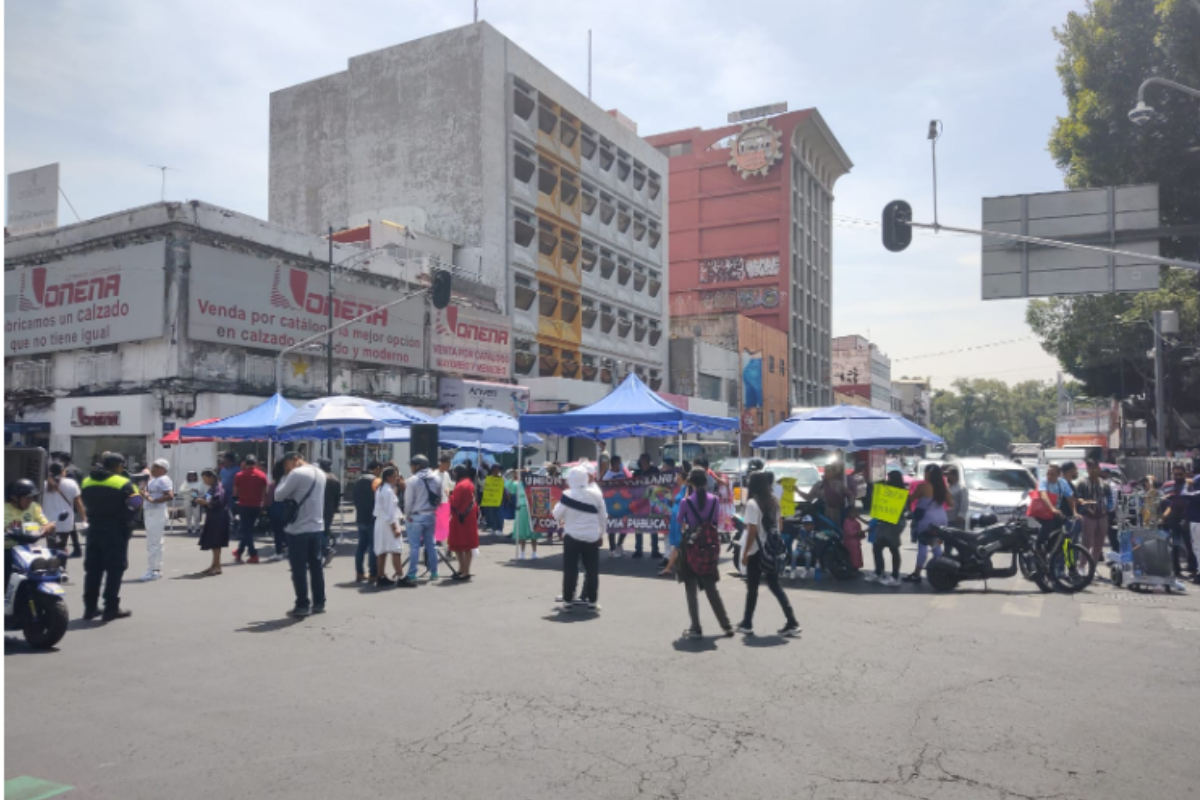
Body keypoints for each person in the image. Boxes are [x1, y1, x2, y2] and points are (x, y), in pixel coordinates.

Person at [736, 470, 800, 637]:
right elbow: (780, 527)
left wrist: (745, 553)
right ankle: (792, 621)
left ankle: (747, 623)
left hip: (757, 550)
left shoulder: (752, 504)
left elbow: (752, 531)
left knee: (753, 587)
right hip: (771, 549)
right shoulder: (774, 502)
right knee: (775, 586)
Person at [675, 467, 734, 639]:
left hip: (692, 546)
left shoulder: (686, 502)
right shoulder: (715, 500)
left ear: (690, 483)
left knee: (690, 588)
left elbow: (679, 520)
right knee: (711, 589)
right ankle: (726, 625)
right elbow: (714, 521)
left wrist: (686, 498)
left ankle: (696, 626)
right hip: (708, 546)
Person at [80, 453, 138, 621]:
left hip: (94, 530)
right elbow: (136, 503)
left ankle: (89, 608)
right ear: (119, 466)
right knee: (114, 570)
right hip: (115, 531)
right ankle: (110, 608)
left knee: (93, 570)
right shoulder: (123, 483)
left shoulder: (87, 481)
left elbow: (84, 500)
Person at [274, 452, 328, 616]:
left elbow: (278, 495)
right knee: (316, 567)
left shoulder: (296, 474)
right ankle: (319, 602)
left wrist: (285, 476)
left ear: (293, 460)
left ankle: (302, 604)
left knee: (298, 569)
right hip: (317, 526)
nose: (286, 468)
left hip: (298, 528)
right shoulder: (320, 473)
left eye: (286, 465)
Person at [554, 464, 607, 610]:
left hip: (572, 536)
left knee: (570, 569)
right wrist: (600, 534)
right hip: (591, 537)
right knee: (592, 570)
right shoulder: (596, 495)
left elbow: (556, 514)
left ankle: (568, 601)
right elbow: (604, 517)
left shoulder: (567, 494)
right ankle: (592, 601)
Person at [5, 479, 58, 595]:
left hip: (28, 548)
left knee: (51, 564)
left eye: (32, 497)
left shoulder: (34, 507)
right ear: (14, 497)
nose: (31, 500)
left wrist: (48, 527)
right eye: (27, 497)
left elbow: (44, 523)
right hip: (8, 549)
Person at [903, 464, 949, 584]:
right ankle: (942, 569)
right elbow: (950, 502)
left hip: (927, 520)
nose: (924, 475)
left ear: (930, 473)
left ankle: (917, 573)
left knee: (923, 545)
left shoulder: (924, 486)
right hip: (942, 519)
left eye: (925, 472)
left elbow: (911, 499)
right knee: (936, 544)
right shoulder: (944, 487)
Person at [402, 455, 441, 585]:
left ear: (418, 466)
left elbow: (409, 501)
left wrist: (407, 515)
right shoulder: (437, 478)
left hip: (417, 516)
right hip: (431, 515)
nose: (411, 467)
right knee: (432, 546)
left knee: (414, 547)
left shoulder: (412, 480)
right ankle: (434, 572)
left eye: (412, 465)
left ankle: (412, 573)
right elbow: (439, 498)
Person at [865, 470, 906, 587]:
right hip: (885, 522)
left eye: (890, 479)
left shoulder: (900, 493)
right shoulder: (890, 491)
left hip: (894, 523)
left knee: (893, 548)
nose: (888, 480)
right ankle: (879, 571)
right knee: (877, 546)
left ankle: (895, 576)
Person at [140, 459, 174, 581]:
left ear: (163, 469)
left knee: (153, 542)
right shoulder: (153, 480)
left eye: (156, 467)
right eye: (153, 466)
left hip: (156, 512)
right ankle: (156, 568)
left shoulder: (163, 479)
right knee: (156, 542)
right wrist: (144, 493)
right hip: (151, 512)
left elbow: (169, 495)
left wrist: (153, 500)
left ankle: (153, 570)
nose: (153, 469)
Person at [43, 462, 85, 558]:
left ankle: (52, 568)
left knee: (51, 547)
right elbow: (78, 503)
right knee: (61, 547)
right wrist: (84, 518)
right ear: (63, 471)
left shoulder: (44, 485)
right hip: (65, 522)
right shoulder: (71, 483)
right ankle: (61, 568)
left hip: (48, 522)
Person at [372, 466, 405, 587]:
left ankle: (380, 576)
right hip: (389, 522)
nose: (397, 478)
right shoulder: (388, 491)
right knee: (396, 550)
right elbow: (389, 511)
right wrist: (395, 527)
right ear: (388, 477)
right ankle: (400, 576)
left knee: (382, 551)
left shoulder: (381, 489)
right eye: (395, 476)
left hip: (381, 522)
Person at [194, 468, 230, 577]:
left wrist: (204, 502)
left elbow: (217, 502)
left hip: (219, 517)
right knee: (213, 542)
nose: (204, 481)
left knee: (216, 542)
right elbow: (208, 499)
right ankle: (214, 565)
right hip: (213, 517)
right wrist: (201, 500)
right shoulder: (211, 489)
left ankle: (217, 566)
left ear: (212, 477)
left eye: (205, 478)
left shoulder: (218, 488)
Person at [232, 455, 267, 565]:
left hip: (244, 505)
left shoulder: (239, 475)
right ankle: (239, 551)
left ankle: (253, 553)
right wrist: (263, 505)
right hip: (256, 505)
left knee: (246, 530)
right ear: (255, 463)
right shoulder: (262, 475)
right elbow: (264, 492)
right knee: (249, 529)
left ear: (245, 463)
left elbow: (235, 491)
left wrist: (235, 500)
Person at [1026, 462, 1072, 548]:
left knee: (1065, 524)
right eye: (1048, 474)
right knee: (1049, 524)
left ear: (1059, 475)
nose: (1049, 476)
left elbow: (1070, 498)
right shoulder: (1043, 481)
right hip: (1041, 511)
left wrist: (1075, 512)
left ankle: (1052, 548)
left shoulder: (1062, 483)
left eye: (1052, 474)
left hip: (1053, 512)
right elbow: (1044, 495)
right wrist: (1052, 508)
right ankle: (1038, 547)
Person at [1162, 464, 1196, 577]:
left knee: (1191, 544)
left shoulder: (1190, 484)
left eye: (1180, 474)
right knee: (1175, 544)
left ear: (1185, 474)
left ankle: (1193, 567)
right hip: (1173, 518)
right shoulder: (1167, 485)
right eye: (1175, 474)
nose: (1177, 476)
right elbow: (1162, 498)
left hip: (1188, 517)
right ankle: (1176, 569)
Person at [1075, 459, 1110, 566]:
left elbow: (1110, 498)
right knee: (1086, 543)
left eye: (1095, 468)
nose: (1093, 470)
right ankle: (1082, 566)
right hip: (1088, 516)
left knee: (1098, 545)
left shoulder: (1104, 484)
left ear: (1099, 469)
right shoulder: (1081, 483)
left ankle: (1093, 567)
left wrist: (1106, 508)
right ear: (1087, 469)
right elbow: (1077, 498)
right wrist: (1086, 508)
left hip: (1102, 516)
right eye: (1090, 468)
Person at [449, 465, 480, 580]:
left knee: (461, 544)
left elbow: (454, 502)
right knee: (465, 544)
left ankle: (464, 570)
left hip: (461, 518)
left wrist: (449, 495)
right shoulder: (469, 483)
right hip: (468, 516)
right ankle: (463, 569)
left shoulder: (461, 485)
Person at [353, 460, 383, 583]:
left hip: (360, 516)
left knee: (361, 546)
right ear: (377, 468)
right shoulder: (376, 481)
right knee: (373, 546)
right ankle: (373, 573)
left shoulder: (358, 480)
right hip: (372, 517)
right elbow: (380, 499)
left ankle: (359, 572)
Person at [660, 465, 691, 577]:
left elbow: (686, 504)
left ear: (683, 478)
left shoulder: (686, 489)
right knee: (677, 544)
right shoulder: (681, 489)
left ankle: (670, 567)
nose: (676, 479)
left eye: (678, 477)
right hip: (675, 517)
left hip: (680, 518)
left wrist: (684, 520)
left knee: (679, 544)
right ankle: (674, 566)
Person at [630, 454, 662, 560]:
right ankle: (638, 550)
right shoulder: (637, 473)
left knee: (653, 526)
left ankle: (655, 550)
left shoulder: (655, 471)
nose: (641, 462)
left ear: (647, 461)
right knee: (638, 526)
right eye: (641, 460)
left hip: (652, 502)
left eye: (643, 460)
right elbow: (631, 486)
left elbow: (660, 484)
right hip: (639, 503)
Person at [511, 469, 539, 560]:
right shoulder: (518, 484)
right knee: (522, 530)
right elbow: (508, 485)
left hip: (532, 507)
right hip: (522, 507)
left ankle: (534, 552)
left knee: (533, 531)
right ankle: (522, 552)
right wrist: (514, 476)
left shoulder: (534, 485)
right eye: (523, 475)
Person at [318, 459, 341, 567]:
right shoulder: (335, 479)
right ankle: (323, 551)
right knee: (325, 530)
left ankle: (326, 550)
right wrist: (335, 507)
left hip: (318, 507)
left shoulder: (319, 477)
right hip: (330, 508)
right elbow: (337, 497)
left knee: (318, 530)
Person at [266, 458, 289, 562]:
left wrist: (267, 507)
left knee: (277, 531)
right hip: (287, 506)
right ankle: (288, 548)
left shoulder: (274, 483)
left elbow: (270, 497)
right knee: (287, 529)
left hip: (276, 506)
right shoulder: (288, 480)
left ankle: (278, 551)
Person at [480, 463, 506, 539]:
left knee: (499, 514)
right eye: (495, 469)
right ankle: (493, 528)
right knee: (492, 515)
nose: (496, 471)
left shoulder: (502, 479)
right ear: (492, 470)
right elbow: (482, 485)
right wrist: (477, 480)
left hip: (499, 500)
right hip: (491, 501)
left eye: (498, 469)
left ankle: (499, 529)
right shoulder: (488, 479)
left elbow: (505, 487)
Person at [180, 470, 203, 536]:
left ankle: (197, 527)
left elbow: (202, 491)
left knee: (197, 515)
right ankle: (189, 527)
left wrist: (197, 492)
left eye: (193, 476)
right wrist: (189, 490)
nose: (192, 477)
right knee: (188, 515)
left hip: (196, 500)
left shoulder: (199, 483)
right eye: (190, 476)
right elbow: (181, 491)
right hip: (187, 500)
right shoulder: (185, 483)